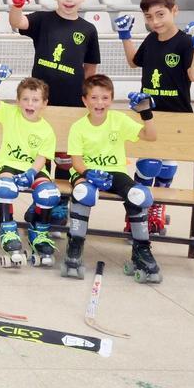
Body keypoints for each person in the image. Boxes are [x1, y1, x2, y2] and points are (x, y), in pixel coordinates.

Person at [9, 0, 100, 226]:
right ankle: (41, 201)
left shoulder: (88, 29)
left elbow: (90, 68)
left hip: (71, 102)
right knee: (40, 150)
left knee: (64, 154)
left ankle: (59, 203)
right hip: (39, 102)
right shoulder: (42, 20)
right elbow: (18, 22)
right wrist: (16, 5)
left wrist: (85, 96)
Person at [117, 0, 194, 234]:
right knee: (148, 164)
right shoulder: (151, 39)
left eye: (160, 14)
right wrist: (125, 35)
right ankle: (136, 212)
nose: (154, 22)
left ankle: (157, 209)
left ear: (174, 11)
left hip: (177, 115)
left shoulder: (185, 41)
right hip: (149, 114)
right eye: (149, 17)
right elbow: (134, 61)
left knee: (167, 165)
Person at [65, 75, 159, 282]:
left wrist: (146, 112)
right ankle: (75, 245)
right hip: (87, 172)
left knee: (138, 195)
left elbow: (150, 136)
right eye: (94, 98)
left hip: (115, 171)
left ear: (112, 99)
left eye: (105, 98)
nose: (100, 103)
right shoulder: (78, 127)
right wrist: (88, 174)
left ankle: (141, 250)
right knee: (83, 192)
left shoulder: (119, 120)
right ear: (85, 100)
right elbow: (76, 162)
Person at [0, 69, 60, 267]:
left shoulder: (46, 130)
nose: (30, 104)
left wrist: (32, 173)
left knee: (49, 193)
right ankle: (8, 230)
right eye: (25, 99)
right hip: (9, 165)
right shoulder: (10, 113)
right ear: (18, 101)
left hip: (34, 168)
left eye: (35, 100)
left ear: (45, 104)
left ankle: (39, 232)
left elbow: (42, 157)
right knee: (4, 188)